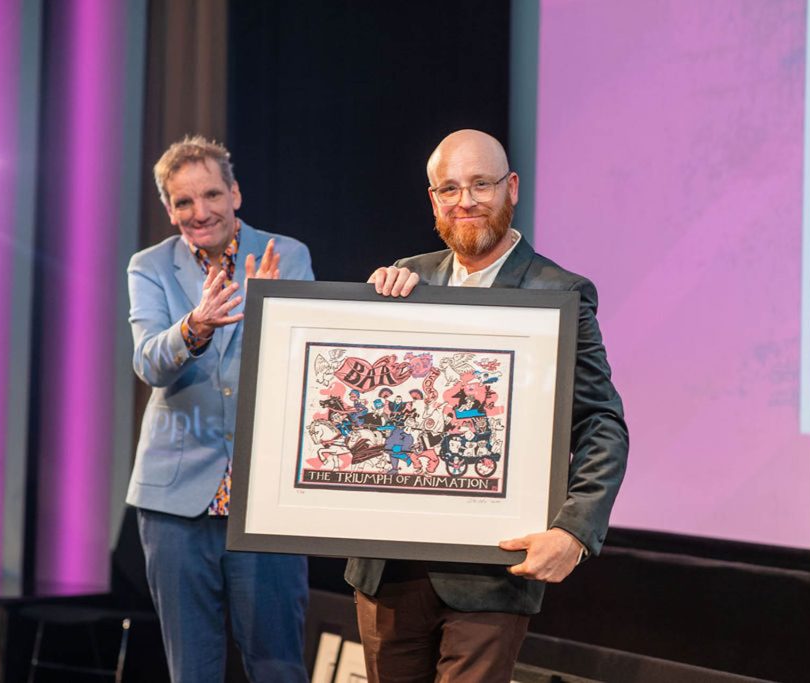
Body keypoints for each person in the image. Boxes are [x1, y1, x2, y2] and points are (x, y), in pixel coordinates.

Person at [347, 129, 628, 682]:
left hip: (492, 569)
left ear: (512, 188)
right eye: (449, 188)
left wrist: (574, 532)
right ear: (433, 199)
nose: (465, 201)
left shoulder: (559, 293)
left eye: (482, 184)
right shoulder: (406, 280)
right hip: (390, 567)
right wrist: (365, 318)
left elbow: (602, 423)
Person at [127, 135, 313, 682]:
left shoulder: (287, 254)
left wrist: (268, 309)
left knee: (278, 666)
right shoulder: (149, 267)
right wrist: (195, 327)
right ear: (168, 209)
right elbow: (150, 363)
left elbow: (303, 366)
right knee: (193, 671)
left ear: (235, 193)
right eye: (183, 202)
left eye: (211, 195)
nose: (200, 212)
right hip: (175, 504)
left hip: (263, 500)